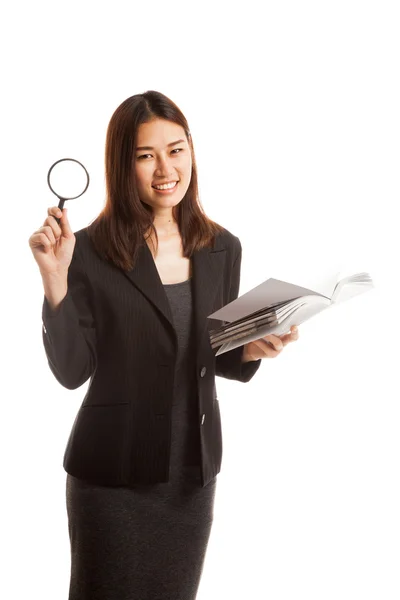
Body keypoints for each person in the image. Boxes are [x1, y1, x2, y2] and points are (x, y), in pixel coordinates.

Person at [28, 90, 299, 600]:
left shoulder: (223, 246)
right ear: (121, 163)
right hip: (112, 479)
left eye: (175, 150)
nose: (164, 169)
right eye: (144, 155)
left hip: (190, 478)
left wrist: (250, 349)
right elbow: (71, 371)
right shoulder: (85, 250)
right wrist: (55, 281)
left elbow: (211, 350)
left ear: (192, 151)